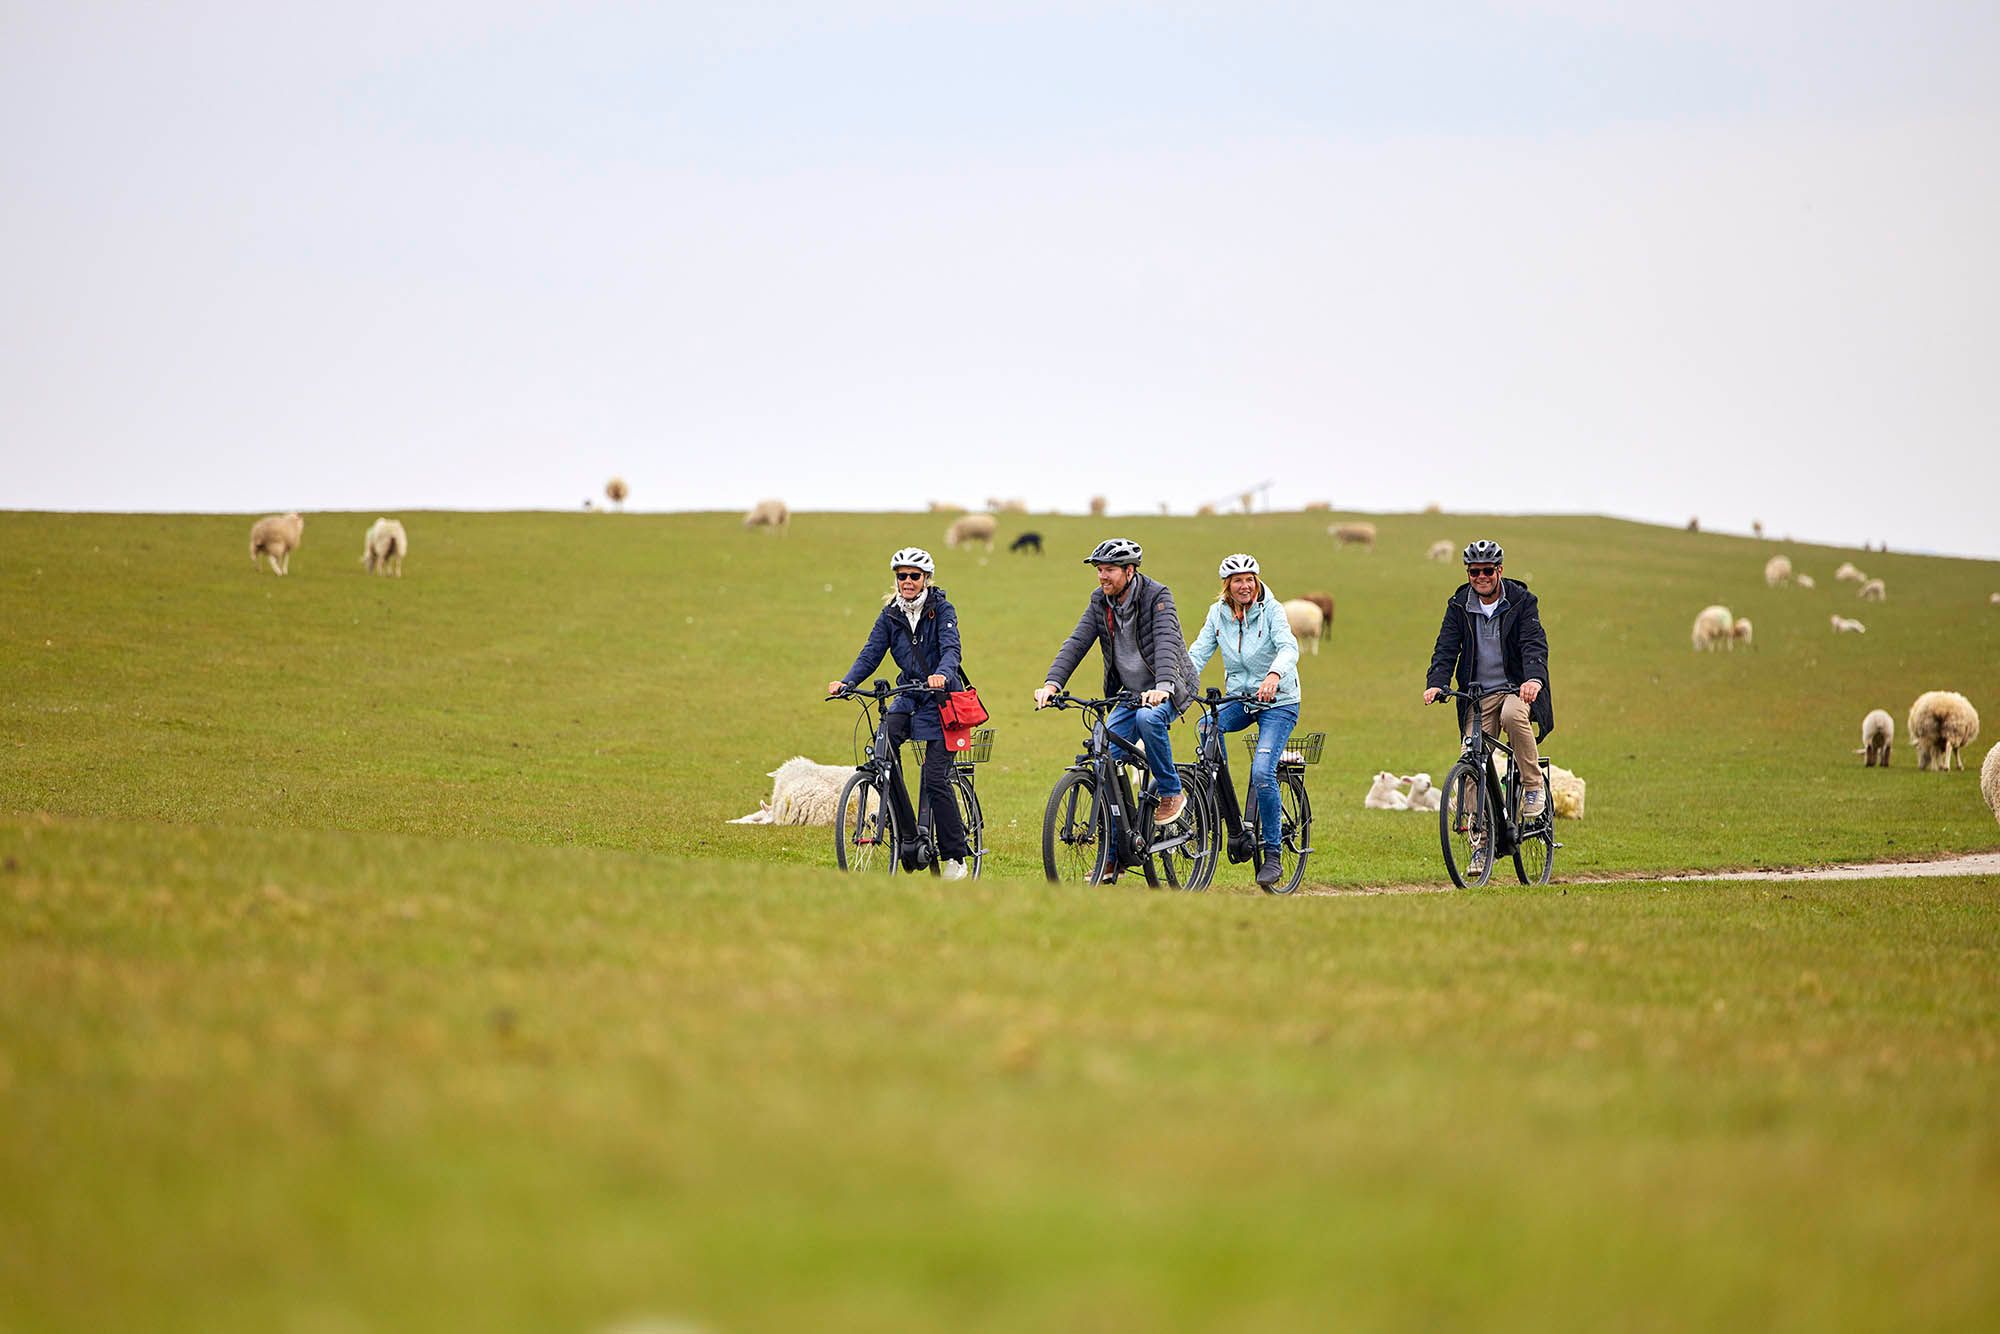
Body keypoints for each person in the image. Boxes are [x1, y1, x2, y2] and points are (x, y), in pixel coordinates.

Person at [1034, 538, 1200, 843]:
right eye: (1099, 570)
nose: (1102, 576)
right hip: (1131, 692)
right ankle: (1115, 855)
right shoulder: (1100, 601)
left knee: (1148, 720)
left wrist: (1163, 687)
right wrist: (1052, 683)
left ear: (1130, 571)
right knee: (1105, 757)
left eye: (1109, 570)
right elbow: (1077, 642)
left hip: (1170, 684)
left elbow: (1166, 642)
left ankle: (1171, 792)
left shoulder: (1157, 596)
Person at [827, 547, 971, 880]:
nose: (907, 581)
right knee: (884, 746)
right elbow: (871, 653)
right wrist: (848, 682)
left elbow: (952, 650)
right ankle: (906, 831)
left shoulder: (942, 609)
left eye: (914, 576)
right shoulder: (890, 614)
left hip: (942, 701)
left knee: (935, 777)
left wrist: (942, 674)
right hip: (908, 696)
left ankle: (955, 856)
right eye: (901, 575)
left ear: (926, 579)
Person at [1422, 539, 1555, 878]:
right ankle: (1480, 842)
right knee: (1471, 756)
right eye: (1474, 572)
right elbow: (1445, 648)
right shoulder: (1459, 604)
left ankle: (1532, 785)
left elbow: (1534, 644)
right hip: (1477, 695)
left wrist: (1534, 680)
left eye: (1486, 571)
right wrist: (1436, 682)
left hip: (1516, 688)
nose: (1480, 577)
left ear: (1499, 571)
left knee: (1512, 715)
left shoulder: (1522, 601)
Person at [1186, 553, 1303, 888]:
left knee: (1262, 771)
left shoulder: (1272, 611)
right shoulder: (1217, 614)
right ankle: (1225, 806)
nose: (1245, 585)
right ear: (1227, 586)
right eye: (1238, 580)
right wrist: (1178, 683)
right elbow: (1198, 652)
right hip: (1241, 700)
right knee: (1206, 726)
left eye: (1249, 579)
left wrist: (1274, 675)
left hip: (1279, 701)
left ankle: (1273, 853)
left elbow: (1289, 647)